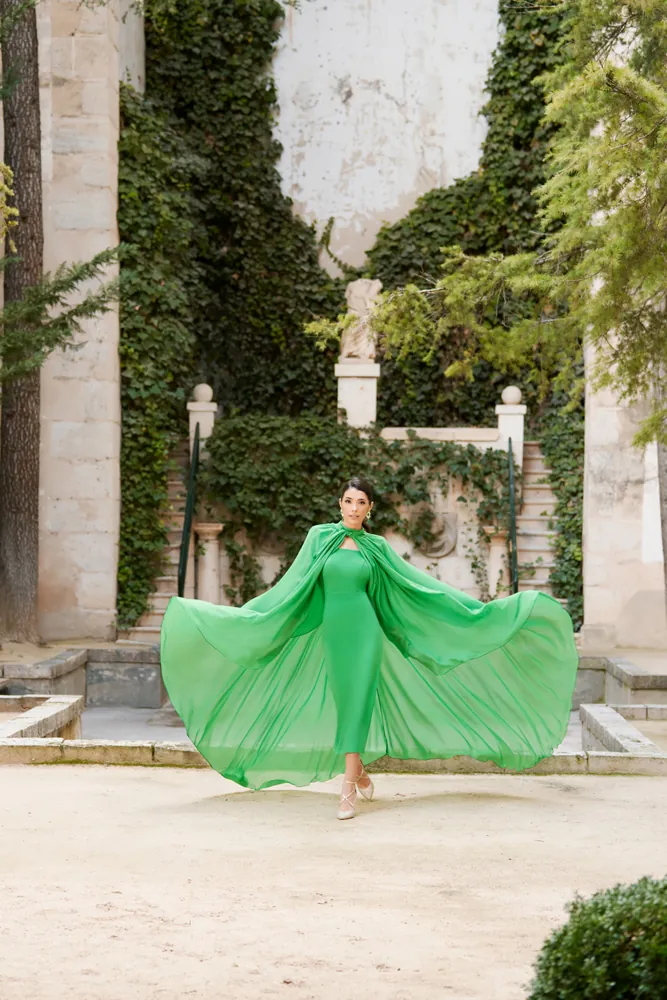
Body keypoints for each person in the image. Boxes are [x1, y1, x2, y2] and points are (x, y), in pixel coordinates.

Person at [160, 477, 578, 820]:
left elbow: (418, 586)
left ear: (370, 508)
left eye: (361, 502)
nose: (353, 508)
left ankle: (346, 790)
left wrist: (473, 611)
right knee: (345, 704)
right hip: (334, 632)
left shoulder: (376, 548)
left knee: (358, 702)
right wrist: (254, 617)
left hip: (365, 633)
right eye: (348, 501)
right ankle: (357, 770)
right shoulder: (319, 538)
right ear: (339, 503)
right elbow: (291, 586)